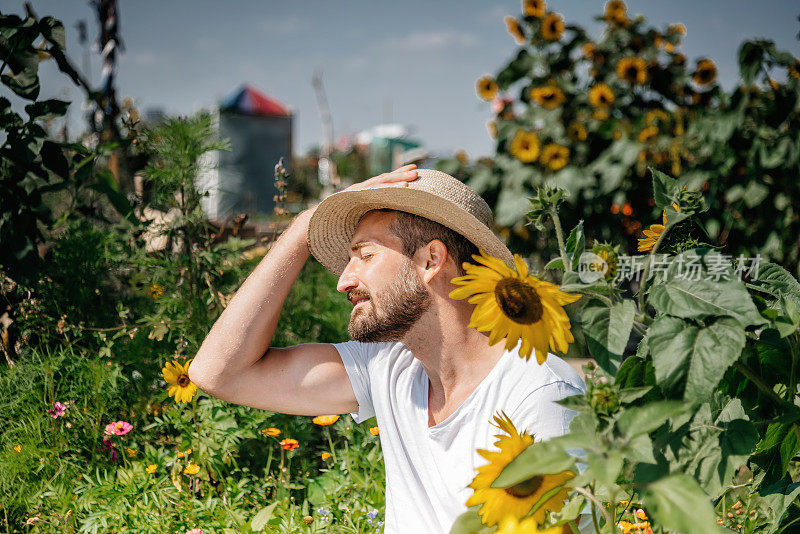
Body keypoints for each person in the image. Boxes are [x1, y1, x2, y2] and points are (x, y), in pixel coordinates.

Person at [189, 165, 586, 533]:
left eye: (364, 255)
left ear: (430, 260)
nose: (343, 281)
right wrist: (303, 227)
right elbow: (218, 373)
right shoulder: (391, 365)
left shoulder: (540, 394)